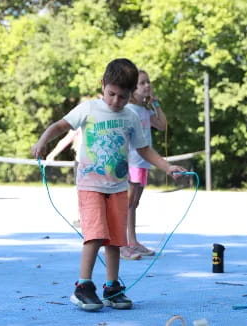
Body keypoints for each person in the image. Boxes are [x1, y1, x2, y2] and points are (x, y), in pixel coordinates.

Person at [31, 58, 186, 311]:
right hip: (90, 185)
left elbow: (145, 149)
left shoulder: (131, 117)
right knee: (95, 235)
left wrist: (167, 167)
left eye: (122, 97)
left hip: (117, 188)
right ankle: (83, 286)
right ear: (102, 85)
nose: (116, 101)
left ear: (131, 94)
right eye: (111, 94)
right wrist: (42, 141)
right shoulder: (89, 109)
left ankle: (112, 287)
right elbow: (61, 125)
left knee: (116, 240)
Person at [120, 70, 167, 260]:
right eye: (142, 83)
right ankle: (122, 244)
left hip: (144, 163)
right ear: (133, 89)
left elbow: (162, 125)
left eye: (148, 82)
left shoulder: (146, 110)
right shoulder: (129, 110)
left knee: (134, 204)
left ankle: (133, 241)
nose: (147, 86)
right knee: (127, 204)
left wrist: (155, 104)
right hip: (132, 161)